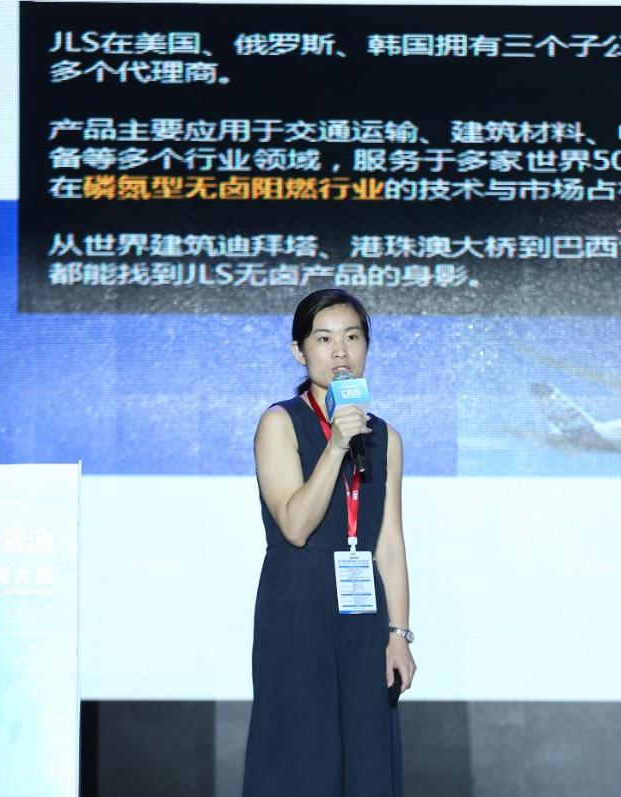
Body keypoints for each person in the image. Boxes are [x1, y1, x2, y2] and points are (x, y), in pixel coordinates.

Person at [243, 288, 415, 796]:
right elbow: (295, 525)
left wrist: (399, 635)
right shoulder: (279, 422)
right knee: (301, 761)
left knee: (367, 762)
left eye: (352, 337)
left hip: (363, 617)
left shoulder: (386, 437)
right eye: (324, 339)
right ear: (300, 351)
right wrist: (336, 445)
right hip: (298, 609)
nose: (340, 351)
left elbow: (389, 543)